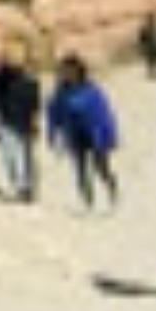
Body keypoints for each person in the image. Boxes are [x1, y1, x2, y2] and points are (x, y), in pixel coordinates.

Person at [44, 53, 120, 210]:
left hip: (95, 134)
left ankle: (112, 189)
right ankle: (88, 200)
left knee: (101, 167)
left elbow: (104, 114)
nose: (66, 74)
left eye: (69, 71)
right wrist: (51, 134)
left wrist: (110, 136)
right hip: (74, 134)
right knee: (80, 168)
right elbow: (53, 114)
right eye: (64, 71)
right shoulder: (61, 93)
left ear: (79, 71)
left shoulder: (92, 90)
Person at [0, 45, 44, 202]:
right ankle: (19, 187)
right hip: (6, 122)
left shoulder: (31, 81)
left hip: (23, 123)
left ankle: (27, 188)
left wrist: (34, 123)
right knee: (9, 157)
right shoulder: (0, 79)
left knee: (25, 157)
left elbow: (35, 106)